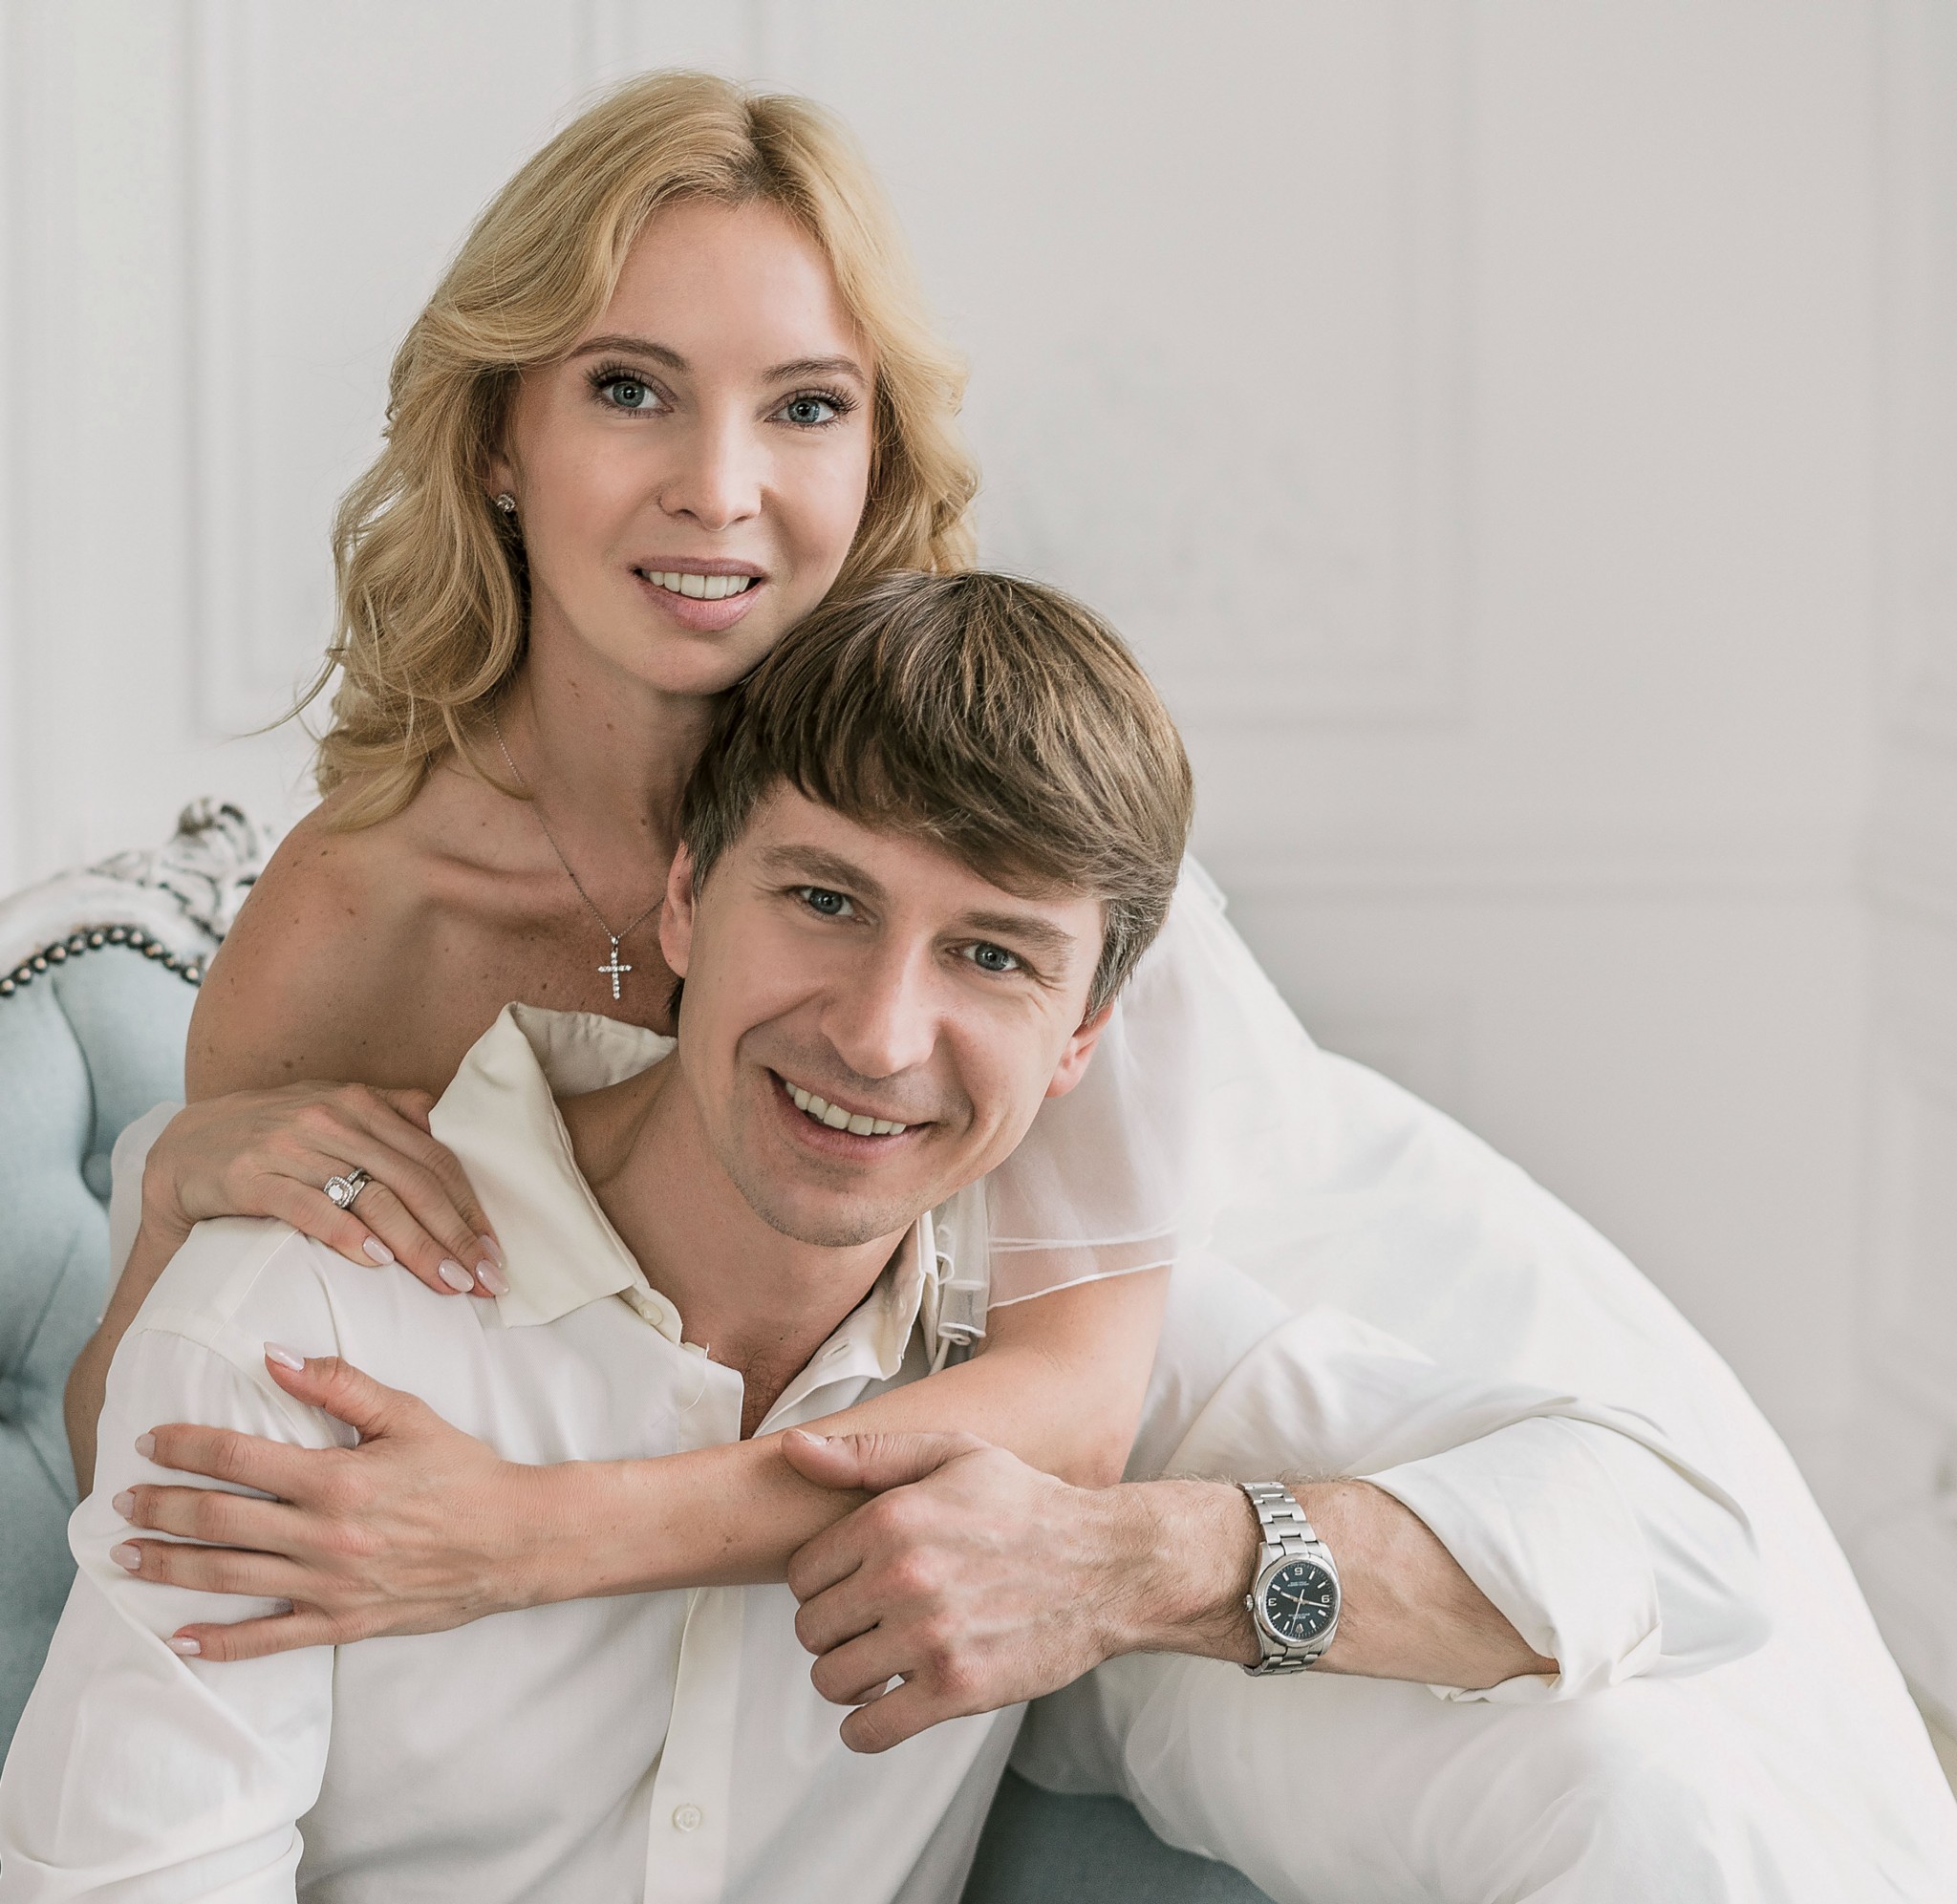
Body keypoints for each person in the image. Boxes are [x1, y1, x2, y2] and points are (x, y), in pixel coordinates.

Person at [0, 574, 1729, 1899]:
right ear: (688, 900)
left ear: (1083, 1038)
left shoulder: (1047, 1367)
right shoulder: (299, 1328)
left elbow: (1679, 1542)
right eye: (825, 900)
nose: (880, 1034)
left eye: (992, 954)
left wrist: (1132, 1566)